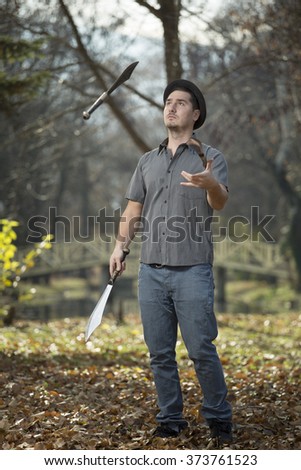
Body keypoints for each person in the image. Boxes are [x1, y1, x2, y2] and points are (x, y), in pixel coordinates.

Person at [109, 79, 233, 446]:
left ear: (195, 114)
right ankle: (170, 418)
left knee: (200, 350)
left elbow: (220, 202)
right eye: (168, 102)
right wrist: (119, 248)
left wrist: (210, 183)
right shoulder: (147, 160)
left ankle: (218, 419)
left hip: (193, 269)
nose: (171, 107)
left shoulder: (211, 158)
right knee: (159, 353)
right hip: (151, 271)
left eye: (181, 103)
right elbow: (133, 209)